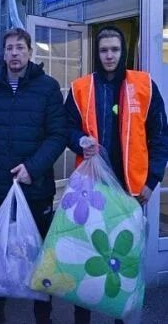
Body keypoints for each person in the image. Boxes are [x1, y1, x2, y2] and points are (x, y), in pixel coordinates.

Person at [65, 26, 168, 324]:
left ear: (123, 52)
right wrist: (79, 140)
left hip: (130, 192)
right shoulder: (80, 88)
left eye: (114, 49)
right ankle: (80, 317)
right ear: (96, 54)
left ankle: (120, 319)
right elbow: (65, 128)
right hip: (90, 191)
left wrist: (151, 182)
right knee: (85, 256)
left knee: (121, 261)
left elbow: (161, 137)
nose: (109, 55)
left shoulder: (144, 86)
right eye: (103, 50)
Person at [0, 28, 68, 324]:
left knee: (40, 253)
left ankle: (43, 314)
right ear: (3, 54)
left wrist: (33, 168)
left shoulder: (48, 88)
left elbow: (58, 134)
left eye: (20, 48)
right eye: (9, 48)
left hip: (35, 187)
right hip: (0, 188)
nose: (14, 53)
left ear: (30, 52)